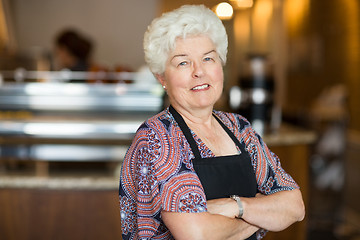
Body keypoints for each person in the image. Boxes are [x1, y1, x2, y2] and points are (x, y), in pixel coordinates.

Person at [119, 5, 305, 240]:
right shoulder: (158, 137)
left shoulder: (239, 128)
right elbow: (198, 235)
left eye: (208, 58)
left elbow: (295, 206)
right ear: (162, 77)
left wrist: (236, 207)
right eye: (183, 63)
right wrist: (261, 211)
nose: (199, 72)